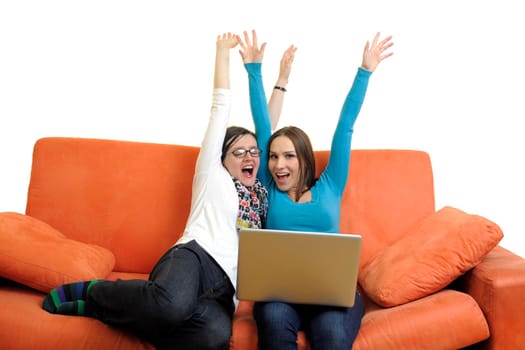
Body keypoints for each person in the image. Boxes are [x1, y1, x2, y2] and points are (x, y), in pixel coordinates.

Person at [41, 32, 269, 350]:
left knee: (213, 338)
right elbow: (220, 108)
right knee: (171, 305)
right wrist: (222, 54)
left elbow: (268, 130)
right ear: (221, 158)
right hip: (195, 258)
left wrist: (276, 77)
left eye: (253, 151)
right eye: (239, 151)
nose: (249, 157)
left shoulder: (260, 192)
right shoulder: (212, 175)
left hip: (225, 290)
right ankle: (96, 292)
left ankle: (100, 312)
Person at [239, 29, 394, 349]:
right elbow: (262, 126)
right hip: (280, 296)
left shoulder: (331, 184)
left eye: (289, 156)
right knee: (271, 320)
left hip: (330, 298)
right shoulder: (268, 185)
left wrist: (364, 72)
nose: (278, 164)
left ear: (304, 159)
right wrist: (255, 72)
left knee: (333, 337)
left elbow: (345, 125)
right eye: (274, 156)